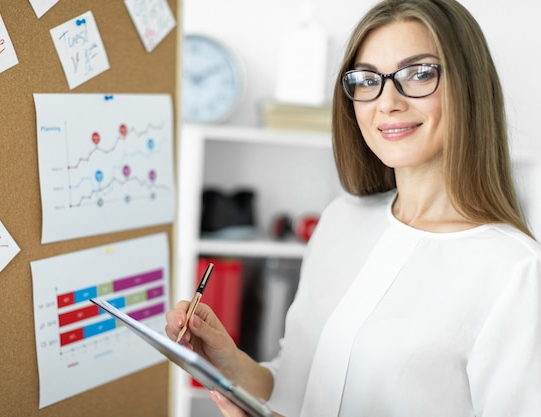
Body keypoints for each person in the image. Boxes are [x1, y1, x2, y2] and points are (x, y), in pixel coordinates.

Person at [166, 0, 541, 415]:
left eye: (419, 74)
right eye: (366, 80)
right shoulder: (341, 220)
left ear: (471, 87)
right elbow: (297, 384)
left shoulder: (516, 272)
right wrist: (230, 363)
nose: (387, 102)